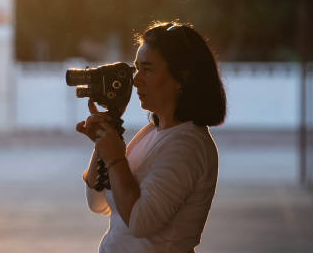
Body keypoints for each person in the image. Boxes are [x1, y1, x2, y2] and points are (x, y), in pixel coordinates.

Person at [76, 21, 226, 253]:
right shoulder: (153, 132)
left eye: (147, 69)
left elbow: (140, 222)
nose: (135, 80)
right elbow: (98, 203)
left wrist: (115, 158)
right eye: (136, 68)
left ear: (181, 78)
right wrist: (103, 142)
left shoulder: (188, 146)